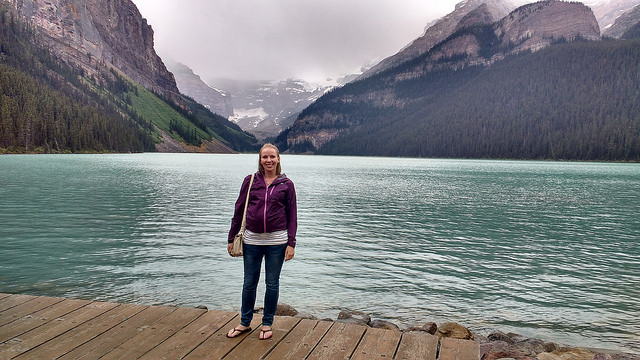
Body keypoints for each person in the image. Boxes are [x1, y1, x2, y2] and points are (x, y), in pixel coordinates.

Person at [226, 143, 297, 340]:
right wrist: (231, 237)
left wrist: (291, 243)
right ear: (260, 159)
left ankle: (267, 324)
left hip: (278, 242)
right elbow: (239, 210)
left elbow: (292, 216)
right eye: (265, 157)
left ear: (278, 159)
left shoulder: (287, 184)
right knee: (249, 283)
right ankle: (245, 322)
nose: (268, 160)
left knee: (272, 283)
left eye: (272, 157)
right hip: (251, 241)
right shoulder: (250, 181)